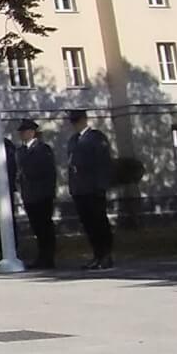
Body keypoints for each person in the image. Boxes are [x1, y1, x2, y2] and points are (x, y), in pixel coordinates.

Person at [65, 107, 116, 269]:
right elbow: (71, 164)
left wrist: (101, 186)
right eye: (73, 122)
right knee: (88, 224)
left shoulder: (96, 137)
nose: (75, 125)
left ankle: (106, 255)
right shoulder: (73, 140)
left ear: (84, 120)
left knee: (100, 222)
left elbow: (103, 163)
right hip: (80, 189)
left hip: (93, 188)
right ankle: (97, 254)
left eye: (77, 121)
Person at [15, 119, 59, 269]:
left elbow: (49, 172)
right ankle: (41, 256)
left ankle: (48, 257)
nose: (22, 134)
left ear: (32, 132)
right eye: (21, 132)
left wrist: (50, 192)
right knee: (37, 227)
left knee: (45, 226)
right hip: (29, 194)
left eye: (24, 131)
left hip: (42, 194)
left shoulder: (42, 149)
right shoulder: (20, 151)